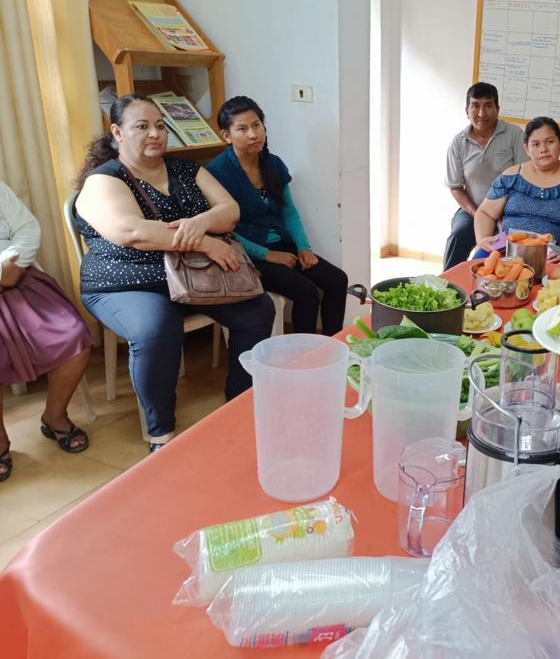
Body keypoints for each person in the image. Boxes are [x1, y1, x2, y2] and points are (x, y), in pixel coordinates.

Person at [75, 94, 275, 452]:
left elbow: (229, 210)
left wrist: (199, 223)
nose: (155, 133)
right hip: (126, 281)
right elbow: (132, 232)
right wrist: (205, 243)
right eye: (142, 126)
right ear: (117, 132)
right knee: (157, 327)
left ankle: (240, 401)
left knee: (258, 309)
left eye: (160, 125)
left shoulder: (185, 168)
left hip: (191, 276)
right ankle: (161, 435)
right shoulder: (102, 181)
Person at [209, 96, 348, 335]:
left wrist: (303, 247)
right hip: (246, 255)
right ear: (227, 135)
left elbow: (289, 211)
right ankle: (305, 357)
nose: (253, 134)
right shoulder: (217, 172)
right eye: (242, 129)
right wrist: (267, 254)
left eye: (256, 125)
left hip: (282, 245)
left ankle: (333, 347)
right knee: (306, 292)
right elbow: (225, 231)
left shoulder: (272, 163)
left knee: (337, 280)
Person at [1, 182, 92, 481]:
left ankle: (54, 415)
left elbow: (27, 227)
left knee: (73, 335)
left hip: (16, 276)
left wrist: (11, 265)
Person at [474, 116, 560, 262]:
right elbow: (485, 212)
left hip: (551, 258)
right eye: (535, 144)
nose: (543, 149)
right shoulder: (511, 176)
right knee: (469, 275)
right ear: (526, 149)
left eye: (550, 142)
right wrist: (483, 240)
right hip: (503, 252)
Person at [443, 82, 528, 269]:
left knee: (496, 252)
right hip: (472, 209)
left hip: (508, 211)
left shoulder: (514, 135)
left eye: (488, 106)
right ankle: (447, 286)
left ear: (498, 109)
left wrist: (499, 213)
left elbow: (526, 176)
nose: (482, 113)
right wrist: (476, 213)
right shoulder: (459, 142)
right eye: (475, 106)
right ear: (467, 110)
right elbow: (455, 186)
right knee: (459, 234)